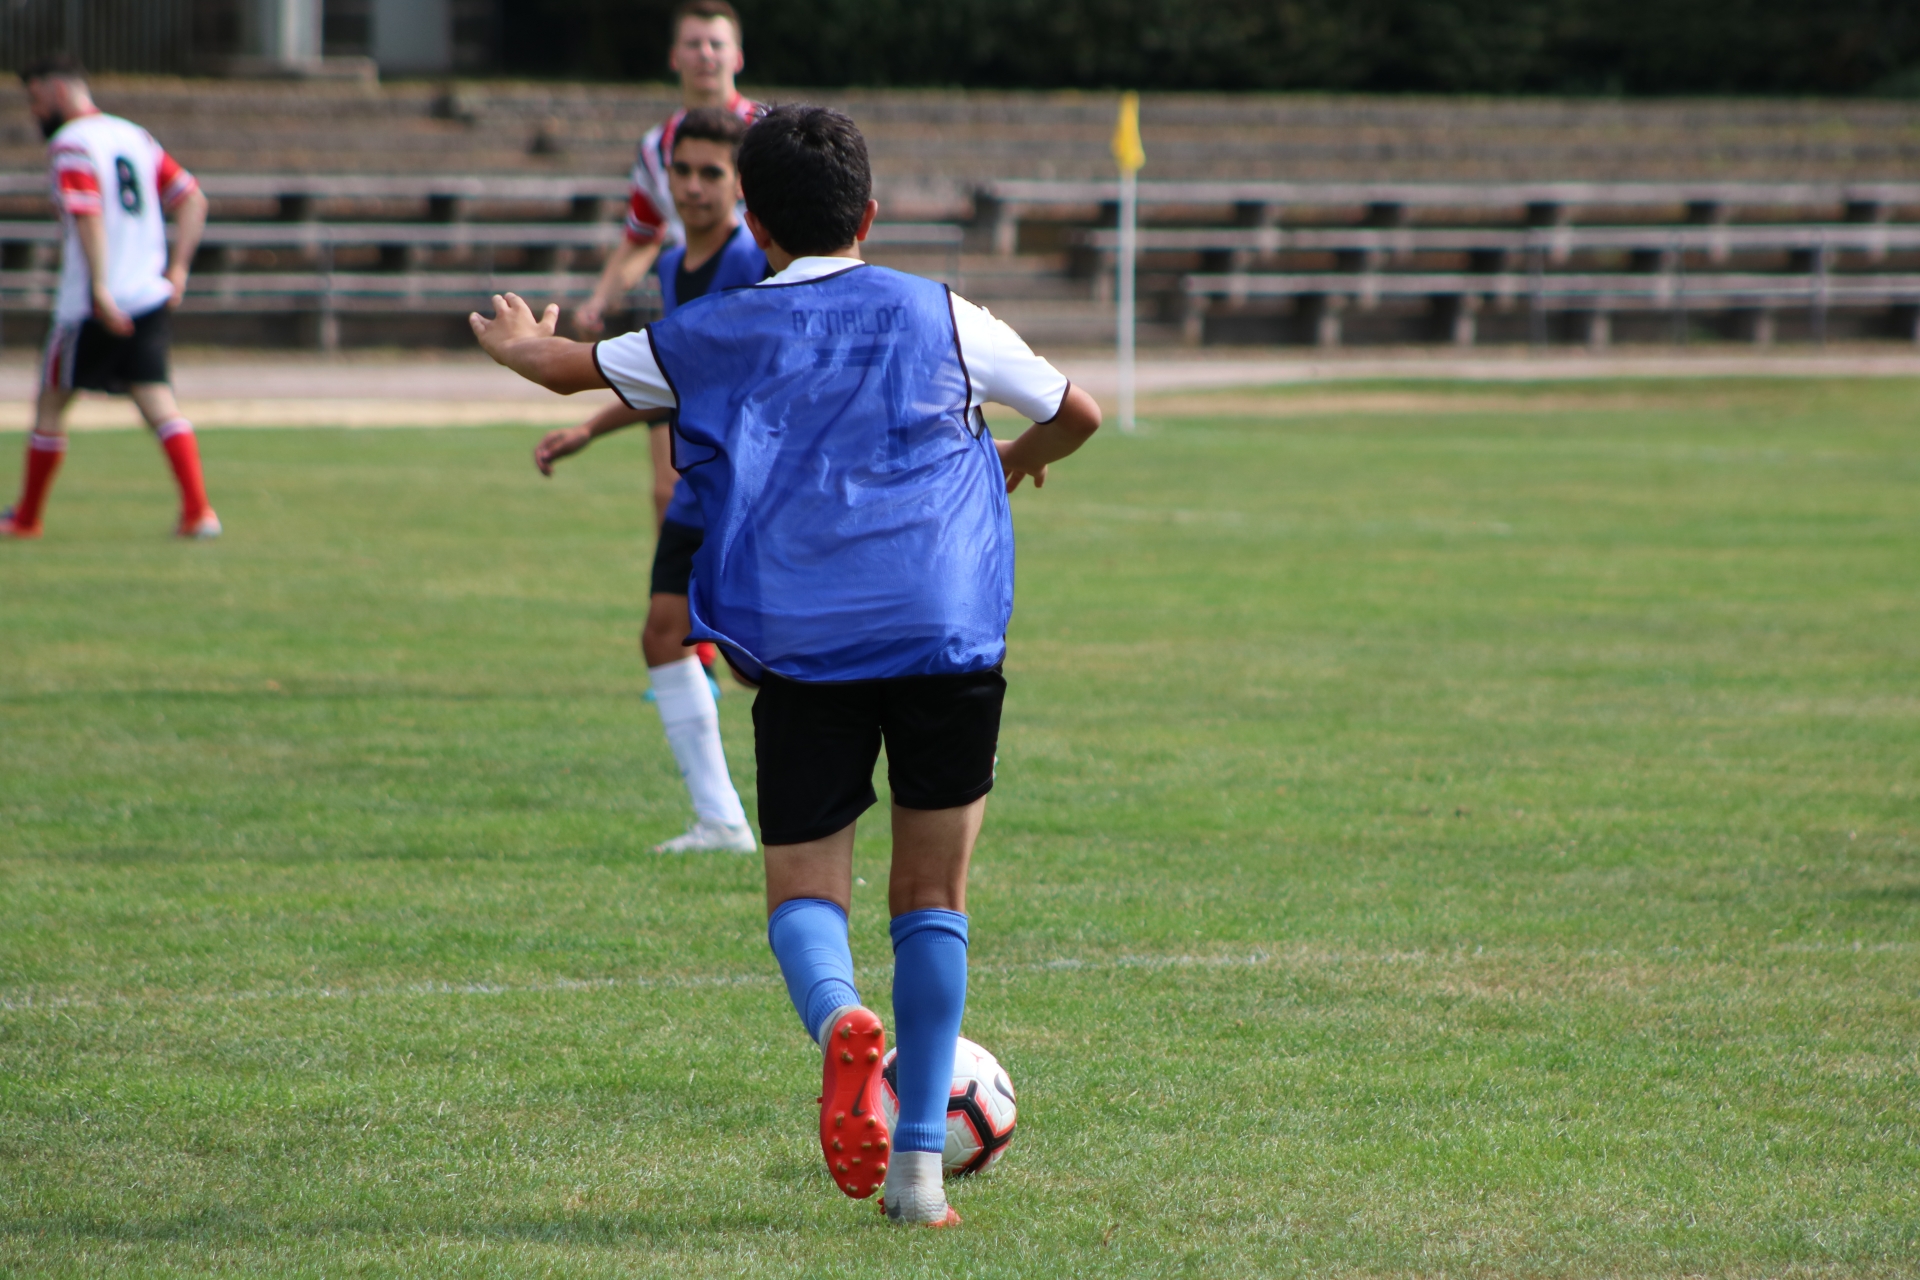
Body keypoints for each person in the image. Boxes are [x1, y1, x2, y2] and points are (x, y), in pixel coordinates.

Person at [471, 105, 1101, 1228]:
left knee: (806, 889)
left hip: (807, 639)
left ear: (755, 225)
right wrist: (1011, 457)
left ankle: (840, 1023)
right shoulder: (942, 311)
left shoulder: (719, 324)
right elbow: (1077, 412)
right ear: (871, 214)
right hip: (945, 627)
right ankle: (919, 1176)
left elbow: (568, 370)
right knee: (933, 897)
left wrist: (520, 343)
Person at [533, 107, 765, 855]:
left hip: (751, 496)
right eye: (682, 171)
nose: (693, 187)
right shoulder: (670, 266)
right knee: (663, 635)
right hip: (700, 489)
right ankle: (721, 821)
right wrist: (589, 430)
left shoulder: (753, 264)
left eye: (710, 173)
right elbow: (673, 379)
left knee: (767, 664)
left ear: (739, 183)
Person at [2, 54, 215, 541]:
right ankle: (199, 511)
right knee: (157, 399)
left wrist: (99, 286)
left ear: (58, 90)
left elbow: (88, 214)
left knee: (51, 401)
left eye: (36, 99)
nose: (35, 112)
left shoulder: (71, 143)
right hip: (147, 293)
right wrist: (178, 269)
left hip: (90, 302)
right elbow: (192, 198)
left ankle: (27, 518)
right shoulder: (135, 136)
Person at [572, 0, 760, 340]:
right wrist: (598, 302)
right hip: (691, 301)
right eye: (694, 43)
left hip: (762, 305)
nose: (705, 54)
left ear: (738, 57)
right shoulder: (654, 146)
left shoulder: (771, 134)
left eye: (716, 44)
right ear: (674, 57)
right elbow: (641, 236)